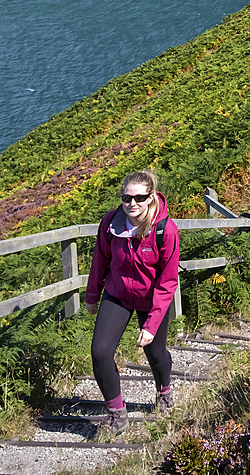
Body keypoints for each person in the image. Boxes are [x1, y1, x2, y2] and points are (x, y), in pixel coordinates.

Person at [85, 169, 180, 431]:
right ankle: (117, 413)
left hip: (152, 298)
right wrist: (92, 295)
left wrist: (150, 325)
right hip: (118, 294)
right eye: (127, 198)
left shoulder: (165, 230)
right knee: (100, 352)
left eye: (139, 198)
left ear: (151, 197)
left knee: (155, 352)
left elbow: (168, 281)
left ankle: (164, 392)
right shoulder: (110, 224)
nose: (132, 204)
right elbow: (99, 261)